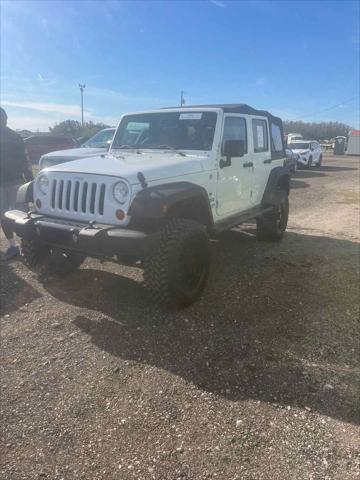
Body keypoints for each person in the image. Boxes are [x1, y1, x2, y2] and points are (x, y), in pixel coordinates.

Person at [0, 107, 33, 260]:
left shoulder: (16, 138)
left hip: (14, 184)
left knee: (12, 217)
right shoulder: (17, 137)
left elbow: (25, 162)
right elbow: (26, 162)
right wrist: (31, 182)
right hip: (11, 183)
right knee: (13, 216)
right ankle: (20, 245)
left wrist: (30, 182)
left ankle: (18, 246)